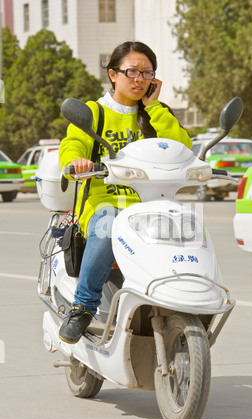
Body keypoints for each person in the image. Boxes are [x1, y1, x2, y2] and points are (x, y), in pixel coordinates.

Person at [58, 40, 192, 344]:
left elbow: (184, 147)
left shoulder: (156, 115)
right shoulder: (95, 113)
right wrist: (74, 161)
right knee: (108, 222)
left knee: (191, 224)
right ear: (113, 74)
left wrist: (155, 107)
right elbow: (73, 144)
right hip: (105, 203)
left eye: (147, 73)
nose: (139, 79)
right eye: (131, 71)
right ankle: (83, 307)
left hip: (153, 206)